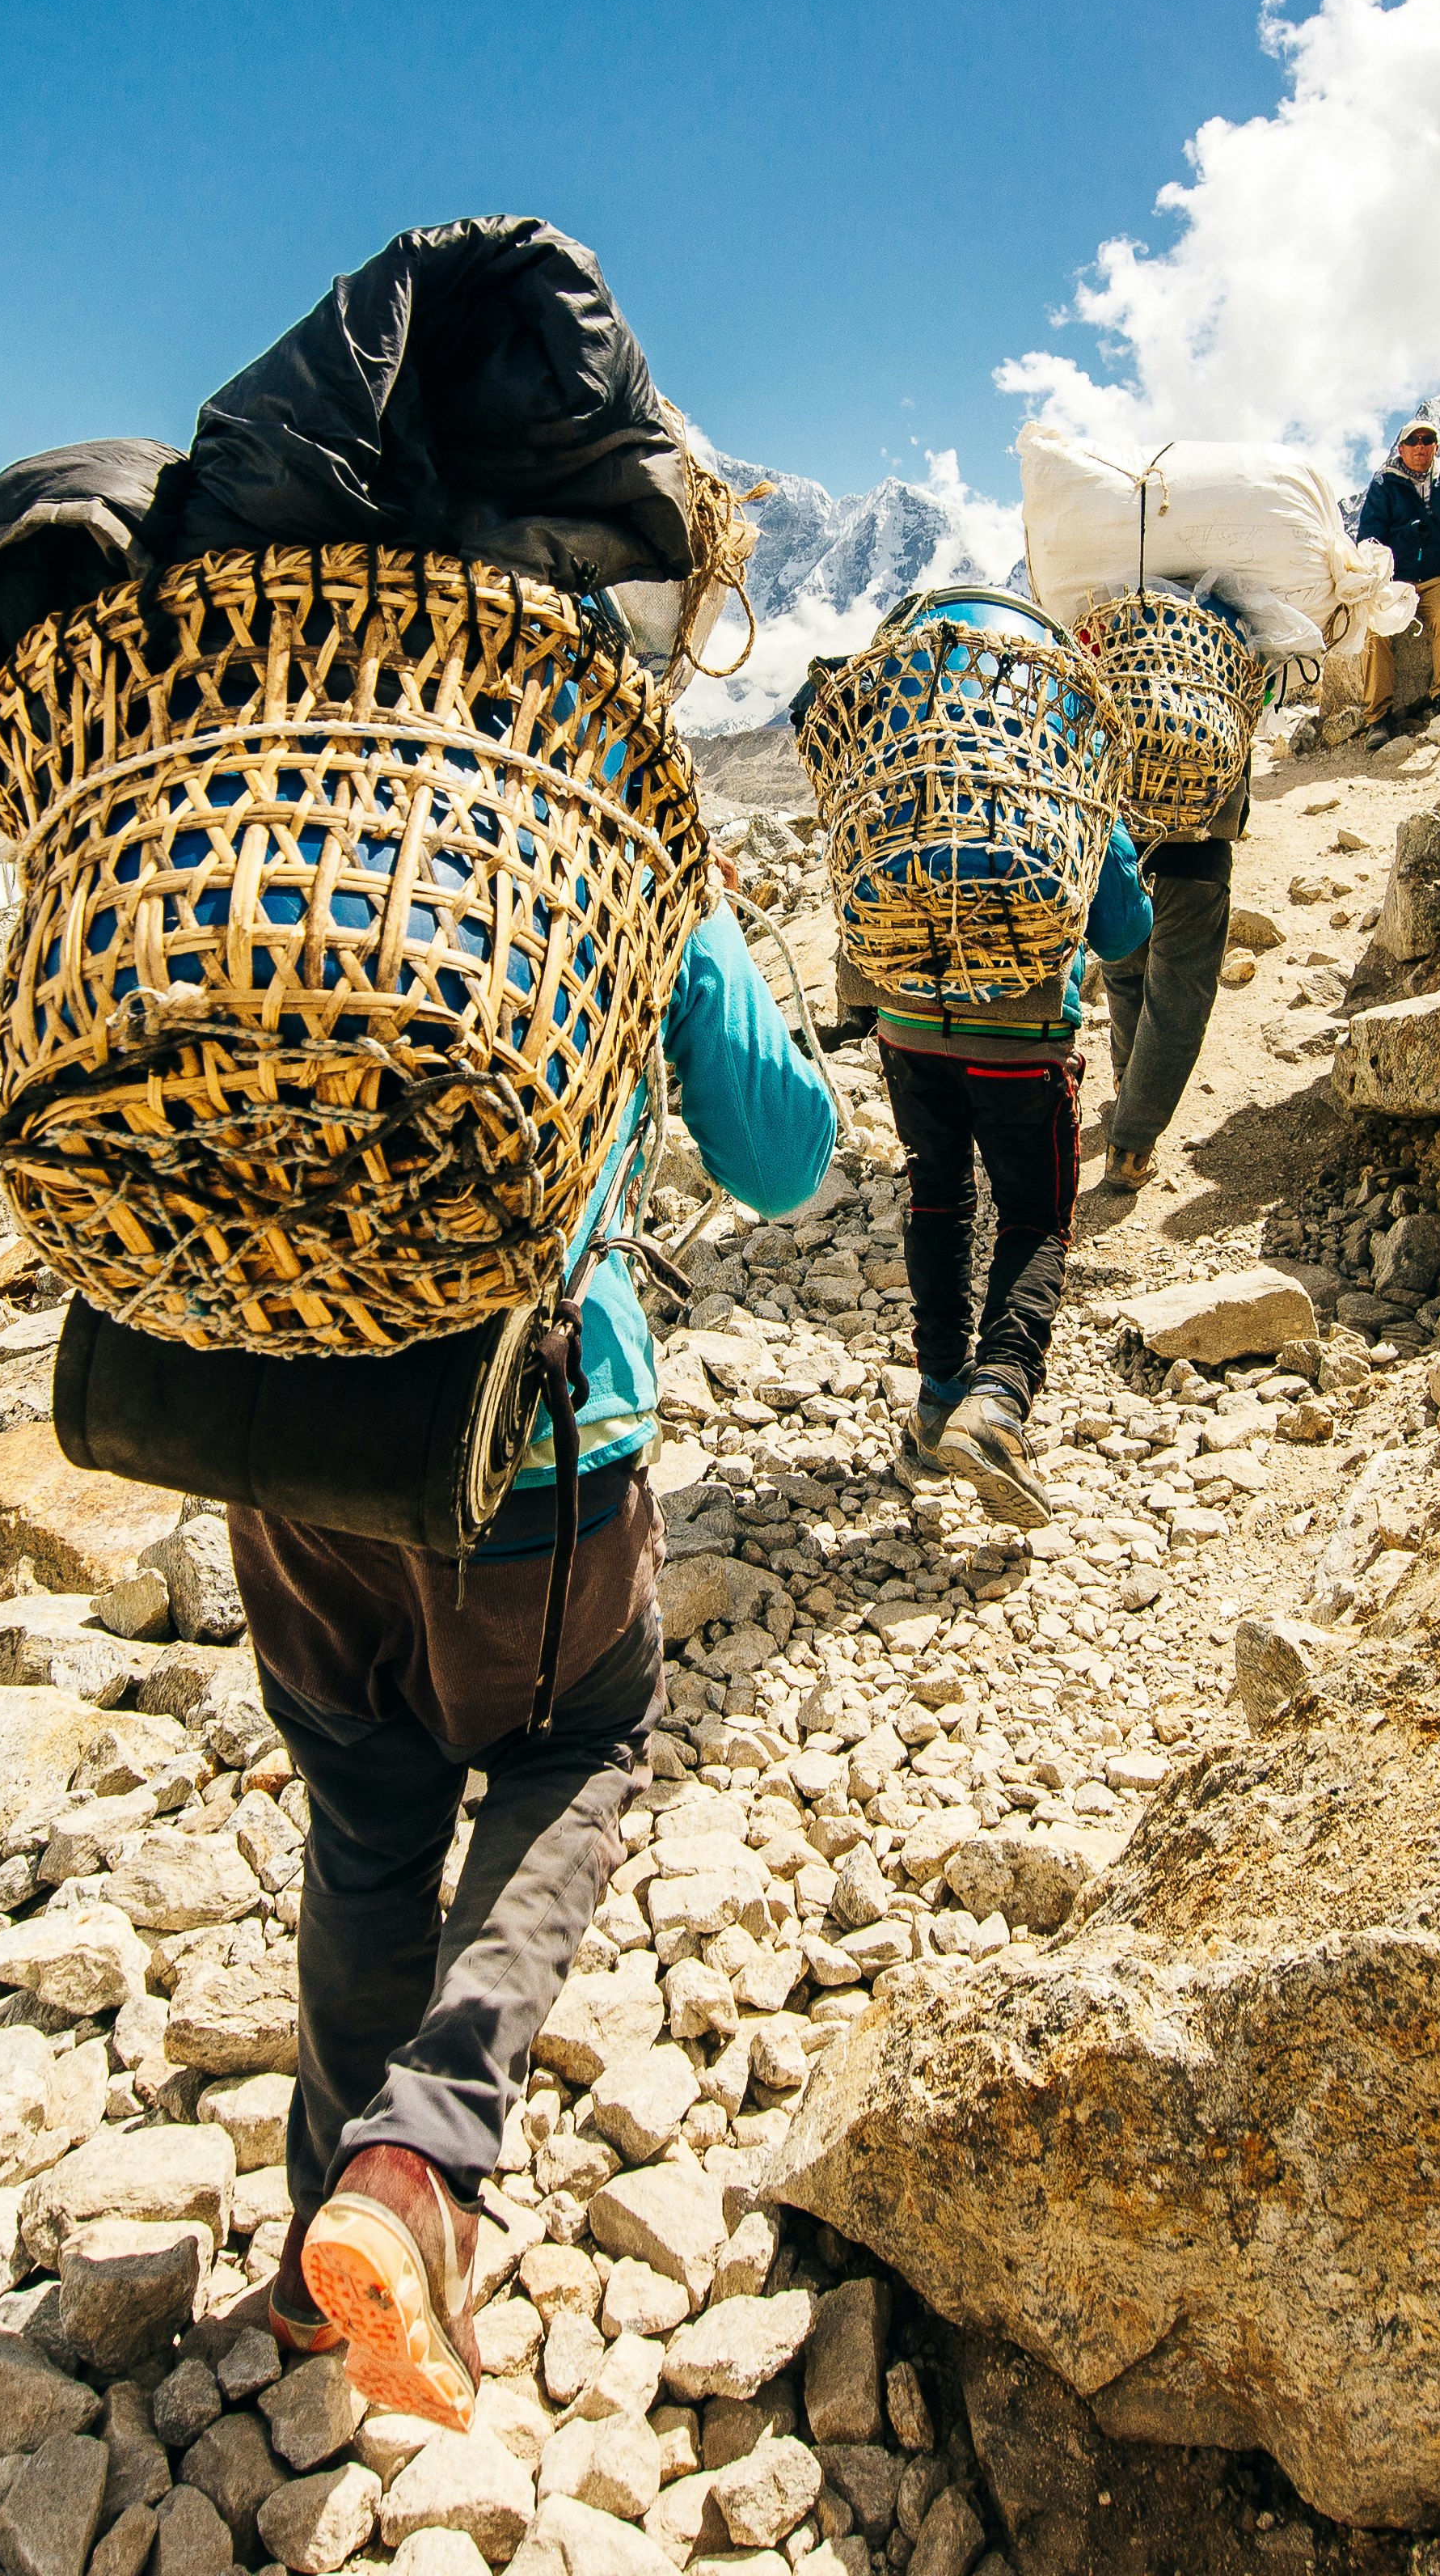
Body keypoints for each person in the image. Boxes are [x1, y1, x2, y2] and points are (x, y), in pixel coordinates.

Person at [250, 874, 839, 2430]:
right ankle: (416, 2162)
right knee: (577, 1743)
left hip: (274, 1427)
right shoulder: (595, 803)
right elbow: (780, 1160)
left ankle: (323, 2248)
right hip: (524, 1445)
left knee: (368, 1818)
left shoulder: (239, 776)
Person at [878, 821, 1153, 1519]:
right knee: (1033, 1217)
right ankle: (998, 1400)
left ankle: (940, 1393)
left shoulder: (908, 758)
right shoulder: (1048, 767)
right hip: (1020, 1036)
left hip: (905, 1021)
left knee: (936, 1197)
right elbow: (1121, 931)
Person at [1093, 751, 1244, 1196]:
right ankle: (1130, 1149)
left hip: (1115, 850)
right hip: (1195, 859)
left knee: (1123, 967)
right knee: (1176, 1003)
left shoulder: (1123, 681)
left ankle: (1126, 1079)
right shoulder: (1222, 680)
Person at [1345, 419, 1440, 730]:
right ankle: (1379, 716)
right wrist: (1407, 536)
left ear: (1435, 447)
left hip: (1435, 578)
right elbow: (1369, 539)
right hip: (1393, 581)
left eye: (1427, 439)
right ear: (1401, 449)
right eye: (1413, 441)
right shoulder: (1384, 485)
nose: (1421, 446)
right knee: (1375, 630)